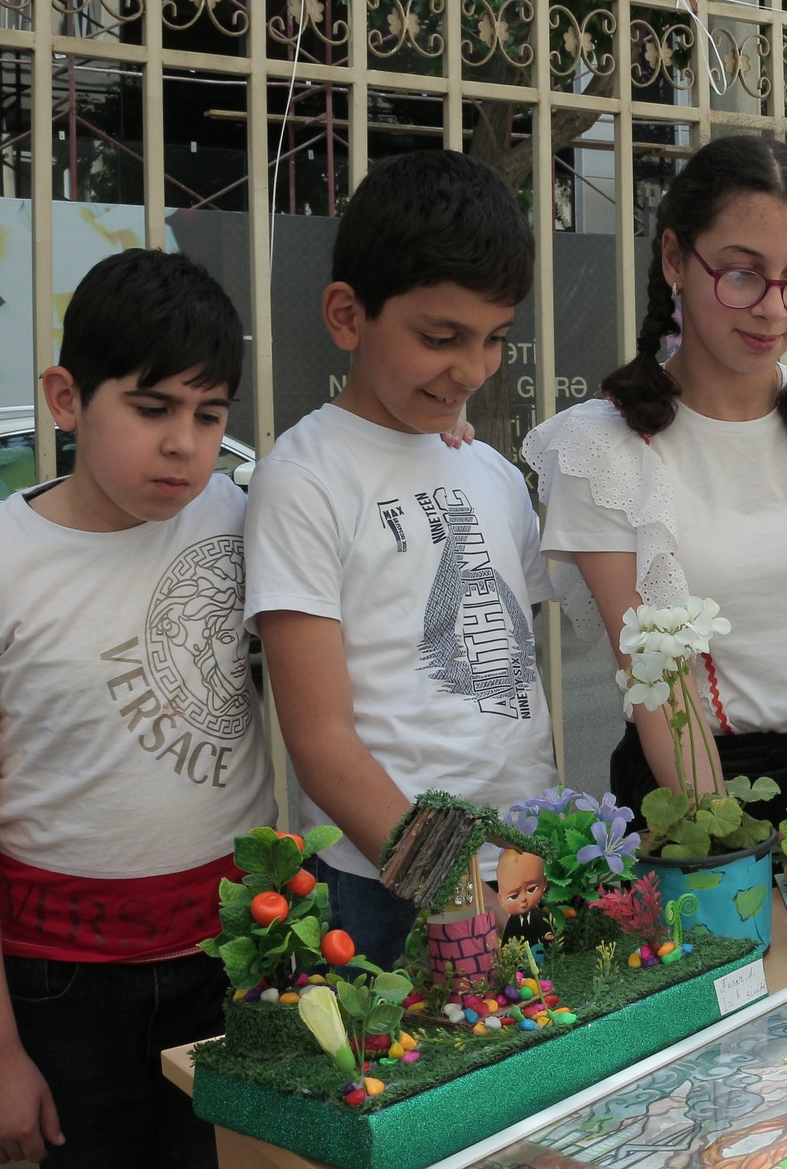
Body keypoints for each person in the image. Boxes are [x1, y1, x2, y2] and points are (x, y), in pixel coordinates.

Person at [0, 249, 274, 1167]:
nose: (185, 442)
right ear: (66, 398)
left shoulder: (242, 517)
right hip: (59, 988)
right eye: (151, 409)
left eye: (210, 412)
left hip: (238, 956)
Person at [523, 134, 787, 820]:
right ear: (675, 257)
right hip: (694, 790)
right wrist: (724, 837)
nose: (772, 309)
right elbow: (658, 688)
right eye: (741, 274)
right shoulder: (607, 449)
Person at [246, 149, 557, 971]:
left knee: (525, 1080)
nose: (471, 370)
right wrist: (447, 886)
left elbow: (512, 685)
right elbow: (319, 739)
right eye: (440, 337)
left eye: (493, 340)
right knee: (411, 1088)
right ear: (347, 316)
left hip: (521, 868)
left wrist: (515, 876)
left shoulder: (490, 468)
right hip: (386, 887)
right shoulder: (304, 476)